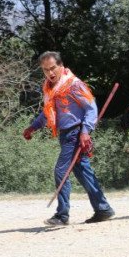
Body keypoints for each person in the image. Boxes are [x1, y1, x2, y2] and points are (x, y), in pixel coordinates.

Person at [23, 51, 115, 226]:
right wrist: (33, 127)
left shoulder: (73, 85)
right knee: (83, 172)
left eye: (52, 68)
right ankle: (103, 209)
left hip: (76, 133)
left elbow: (91, 108)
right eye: (45, 70)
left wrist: (85, 132)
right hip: (65, 134)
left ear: (61, 65)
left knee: (61, 170)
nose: (50, 73)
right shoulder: (50, 88)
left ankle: (62, 215)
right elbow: (48, 112)